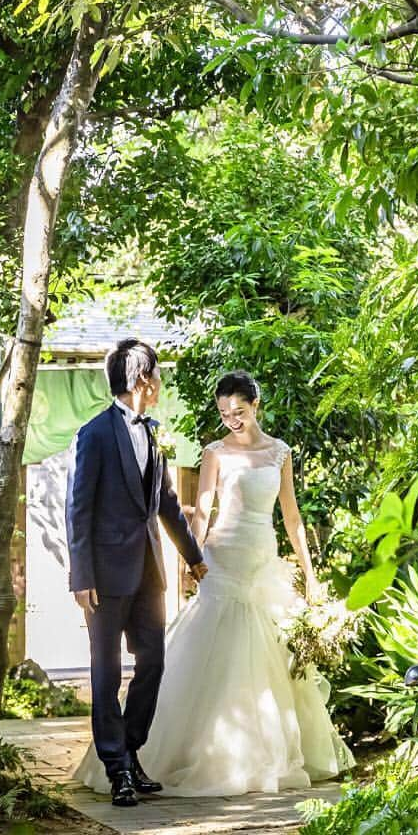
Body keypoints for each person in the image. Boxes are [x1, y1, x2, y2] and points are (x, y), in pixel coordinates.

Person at [75, 369, 353, 797]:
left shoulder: (280, 453)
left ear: (256, 405)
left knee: (270, 663)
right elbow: (200, 511)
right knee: (207, 658)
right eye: (224, 413)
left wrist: (311, 576)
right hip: (222, 561)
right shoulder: (214, 453)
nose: (231, 419)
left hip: (263, 563)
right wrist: (195, 559)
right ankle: (153, 757)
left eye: (238, 411)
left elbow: (292, 517)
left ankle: (260, 755)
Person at [66, 338, 207, 808]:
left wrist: (193, 556)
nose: (161, 382)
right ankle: (116, 769)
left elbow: (165, 502)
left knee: (153, 662)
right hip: (103, 576)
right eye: (158, 375)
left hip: (149, 571)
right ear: (142, 379)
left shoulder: (155, 430)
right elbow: (78, 509)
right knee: (105, 673)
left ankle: (130, 749)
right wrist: (80, 575)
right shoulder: (95, 434)